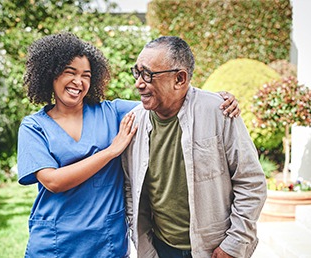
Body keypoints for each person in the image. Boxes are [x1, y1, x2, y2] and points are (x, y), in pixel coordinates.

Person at [17, 32, 240, 257]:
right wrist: (111, 151)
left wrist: (216, 99)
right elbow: (53, 181)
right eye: (70, 72)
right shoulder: (34, 127)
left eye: (86, 75)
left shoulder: (113, 112)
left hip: (107, 244)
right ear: (50, 74)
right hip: (55, 245)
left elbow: (167, 97)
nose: (79, 82)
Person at [122, 36, 267, 258]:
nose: (139, 83)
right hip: (160, 248)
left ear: (180, 79)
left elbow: (251, 182)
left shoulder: (219, 112)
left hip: (213, 249)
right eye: (137, 72)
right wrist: (145, 245)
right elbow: (131, 189)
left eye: (148, 75)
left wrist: (234, 243)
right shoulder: (134, 122)